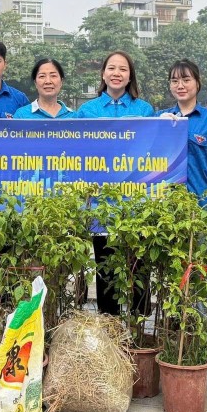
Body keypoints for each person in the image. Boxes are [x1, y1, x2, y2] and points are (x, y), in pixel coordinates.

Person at [75, 51, 154, 315]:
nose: (117, 73)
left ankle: (141, 328)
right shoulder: (87, 111)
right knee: (106, 267)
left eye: (123, 69)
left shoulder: (144, 110)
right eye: (111, 68)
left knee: (138, 266)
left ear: (130, 75)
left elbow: (154, 151)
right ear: (103, 74)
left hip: (137, 201)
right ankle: (109, 326)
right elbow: (78, 154)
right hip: (101, 203)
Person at [158, 59, 207, 206]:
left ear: (197, 82)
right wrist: (158, 127)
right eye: (175, 81)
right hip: (165, 208)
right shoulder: (159, 117)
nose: (180, 86)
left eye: (186, 80)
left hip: (202, 205)